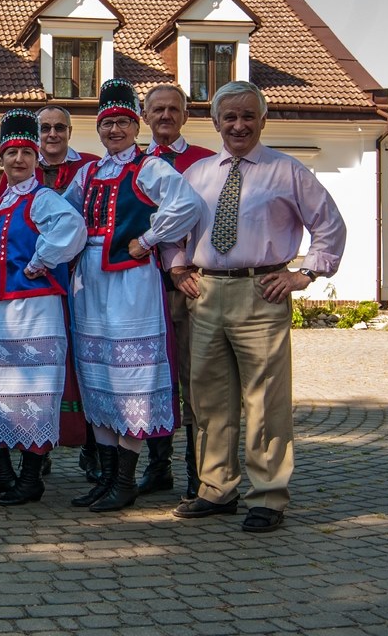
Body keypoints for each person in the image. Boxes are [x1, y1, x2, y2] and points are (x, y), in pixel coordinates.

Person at [165, 80, 346, 532]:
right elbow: (171, 229)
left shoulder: (288, 172)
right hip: (207, 293)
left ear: (263, 120)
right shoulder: (197, 175)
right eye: (230, 117)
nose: (239, 125)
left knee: (265, 400)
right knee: (208, 398)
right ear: (216, 122)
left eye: (248, 116)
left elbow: (329, 225)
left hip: (261, 291)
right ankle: (216, 488)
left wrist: (305, 274)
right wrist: (178, 268)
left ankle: (267, 495)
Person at [62, 79, 200, 513]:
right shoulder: (88, 173)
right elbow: (62, 214)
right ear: (99, 128)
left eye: (123, 122)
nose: (115, 130)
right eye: (108, 123)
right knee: (98, 375)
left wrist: (149, 238)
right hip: (90, 281)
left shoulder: (149, 167)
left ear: (136, 125)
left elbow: (188, 204)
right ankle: (107, 478)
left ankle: (124, 481)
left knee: (131, 378)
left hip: (131, 282)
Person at [0, 109, 86, 507]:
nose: (19, 159)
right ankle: (1, 473)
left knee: (31, 389)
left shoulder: (43, 199)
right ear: (3, 158)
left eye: (26, 152)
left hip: (34, 308)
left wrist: (41, 260)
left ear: (36, 158)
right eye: (11, 153)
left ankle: (30, 478)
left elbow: (72, 228)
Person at [0, 104, 99, 481]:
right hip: (36, 291)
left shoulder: (90, 166)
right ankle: (36, 453)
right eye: (45, 128)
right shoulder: (14, 179)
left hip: (85, 281)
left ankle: (92, 447)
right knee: (38, 370)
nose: (52, 133)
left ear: (69, 132)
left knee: (86, 362)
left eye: (59, 127)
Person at [137, 84, 215, 499]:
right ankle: (157, 465)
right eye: (157, 110)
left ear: (185, 115)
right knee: (152, 376)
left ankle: (198, 470)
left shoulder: (205, 162)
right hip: (138, 286)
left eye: (173, 109)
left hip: (186, 285)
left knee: (192, 377)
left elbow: (209, 221)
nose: (165, 116)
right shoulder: (133, 163)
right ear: (145, 116)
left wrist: (184, 264)